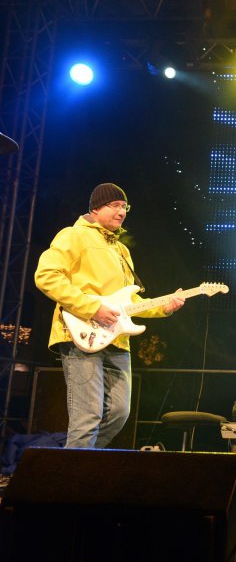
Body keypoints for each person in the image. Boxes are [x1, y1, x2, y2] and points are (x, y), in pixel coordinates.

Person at [35, 183, 186, 448]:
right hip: (81, 335)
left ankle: (76, 460)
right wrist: (92, 309)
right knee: (88, 416)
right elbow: (46, 276)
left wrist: (164, 307)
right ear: (95, 208)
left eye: (124, 207)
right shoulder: (73, 236)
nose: (121, 212)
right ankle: (71, 470)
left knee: (118, 414)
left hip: (116, 340)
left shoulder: (122, 250)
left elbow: (129, 302)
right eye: (114, 205)